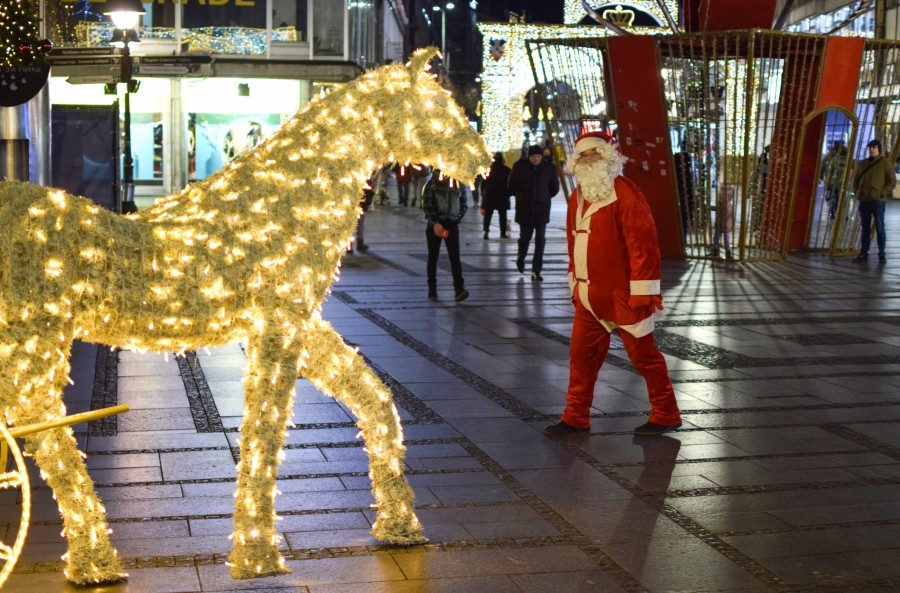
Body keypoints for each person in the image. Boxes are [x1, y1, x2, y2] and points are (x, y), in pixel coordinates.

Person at [544, 131, 682, 436]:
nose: (588, 158)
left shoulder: (626, 192)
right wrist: (575, 283)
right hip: (588, 295)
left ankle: (666, 413)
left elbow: (643, 244)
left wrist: (643, 290)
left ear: (609, 155)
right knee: (581, 357)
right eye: (582, 154)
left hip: (623, 295)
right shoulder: (576, 195)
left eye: (595, 152)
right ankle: (575, 416)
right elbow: (573, 243)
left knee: (644, 357)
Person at [508, 144, 560, 281]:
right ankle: (521, 257)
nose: (536, 159)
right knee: (524, 238)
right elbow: (511, 186)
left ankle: (536, 270)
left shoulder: (549, 168)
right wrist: (521, 197)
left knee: (540, 241)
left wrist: (544, 197)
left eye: (538, 156)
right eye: (533, 157)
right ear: (529, 156)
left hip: (542, 210)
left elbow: (554, 188)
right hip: (524, 209)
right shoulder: (519, 166)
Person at [422, 169, 469, 302]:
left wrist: (457, 217)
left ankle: (459, 289)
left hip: (451, 225)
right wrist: (435, 222)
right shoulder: (432, 184)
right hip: (436, 226)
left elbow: (464, 203)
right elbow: (427, 204)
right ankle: (432, 290)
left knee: (455, 257)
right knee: (433, 257)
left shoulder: (458, 184)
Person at [853, 139, 895, 263]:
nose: (871, 149)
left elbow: (891, 181)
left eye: (874, 147)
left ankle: (881, 253)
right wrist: (857, 191)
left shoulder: (885, 163)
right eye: (870, 147)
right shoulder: (863, 163)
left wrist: (882, 193)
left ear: (879, 149)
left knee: (880, 227)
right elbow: (856, 180)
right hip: (864, 199)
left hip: (877, 201)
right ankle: (863, 253)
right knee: (865, 228)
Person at [480, 152, 512, 240]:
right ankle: (503, 233)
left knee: (488, 215)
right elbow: (511, 183)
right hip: (503, 195)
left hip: (489, 195)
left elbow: (483, 184)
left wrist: (483, 194)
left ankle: (486, 231)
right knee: (502, 215)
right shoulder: (507, 170)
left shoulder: (487, 170)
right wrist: (509, 193)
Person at [821, 140, 849, 219]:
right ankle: (845, 215)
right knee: (844, 199)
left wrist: (827, 182)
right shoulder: (849, 161)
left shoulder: (834, 159)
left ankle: (833, 213)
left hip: (834, 183)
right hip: (844, 184)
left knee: (834, 198)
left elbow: (830, 172)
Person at [350, 177, 373, 253]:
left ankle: (350, 245)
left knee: (351, 225)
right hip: (358, 202)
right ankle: (358, 243)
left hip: (353, 202)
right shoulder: (364, 175)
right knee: (359, 224)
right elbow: (370, 184)